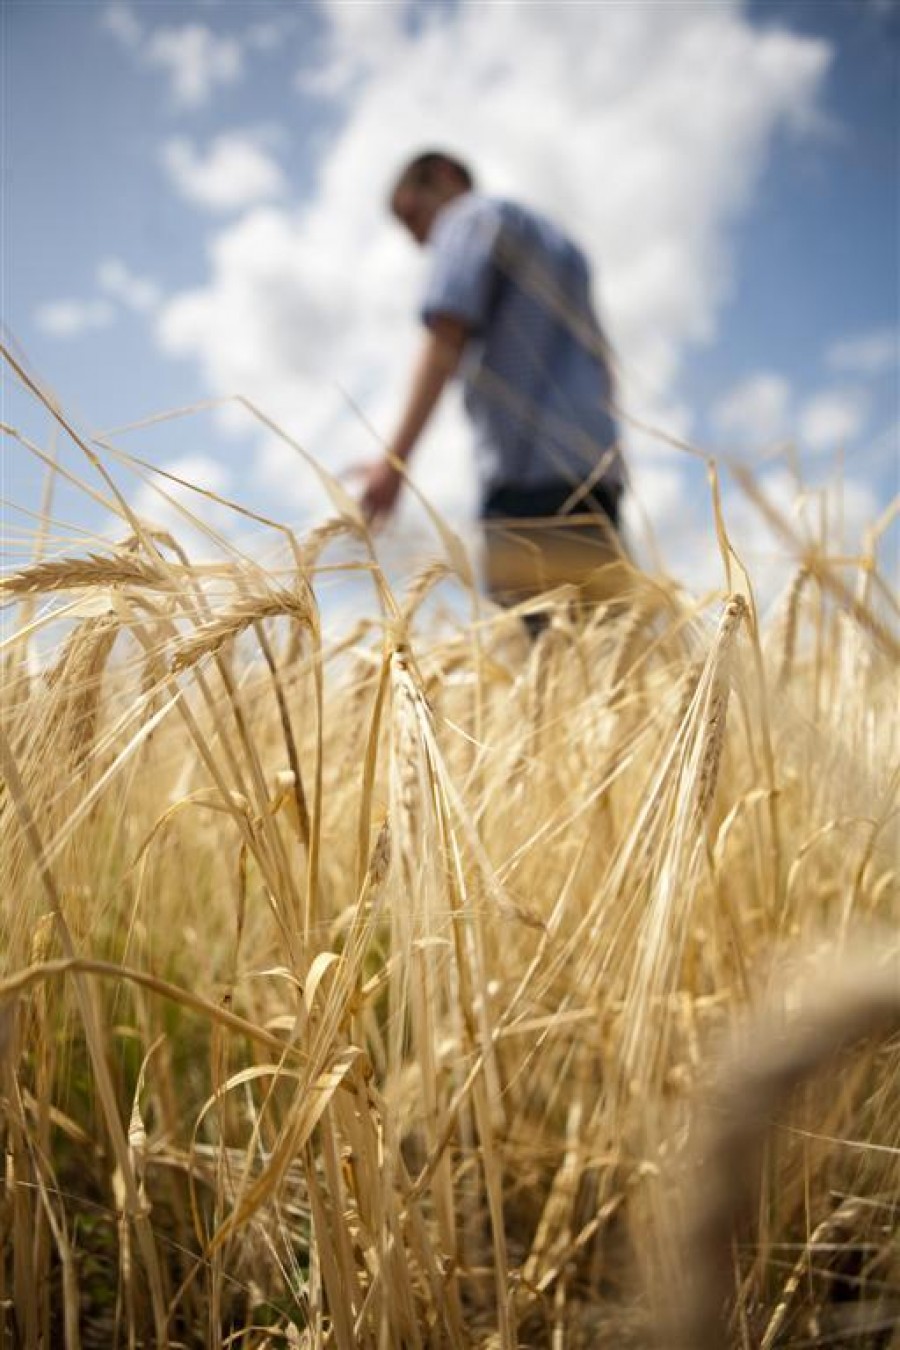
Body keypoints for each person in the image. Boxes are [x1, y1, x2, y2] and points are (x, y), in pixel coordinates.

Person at [359, 150, 628, 615]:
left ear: (444, 175)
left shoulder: (467, 218)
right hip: (597, 470)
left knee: (548, 661)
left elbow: (445, 335)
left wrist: (393, 463)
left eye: (413, 216)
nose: (419, 240)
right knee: (607, 652)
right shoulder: (562, 245)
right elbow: (604, 366)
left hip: (528, 477)